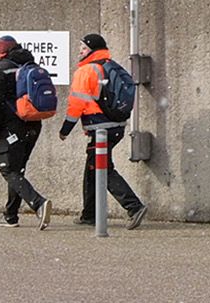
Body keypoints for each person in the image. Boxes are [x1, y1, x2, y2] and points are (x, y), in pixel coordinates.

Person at [58, 33, 147, 229]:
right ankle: (89, 214)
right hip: (115, 126)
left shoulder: (87, 71)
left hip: (101, 129)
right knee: (93, 168)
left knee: (102, 169)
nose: (79, 52)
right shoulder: (109, 65)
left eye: (83, 48)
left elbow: (76, 104)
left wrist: (65, 129)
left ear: (91, 49)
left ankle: (134, 207)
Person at [0, 35, 51, 228]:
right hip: (33, 123)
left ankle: (39, 203)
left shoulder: (0, 69)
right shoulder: (30, 65)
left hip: (11, 126)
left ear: (3, 52)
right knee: (18, 169)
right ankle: (10, 215)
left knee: (7, 168)